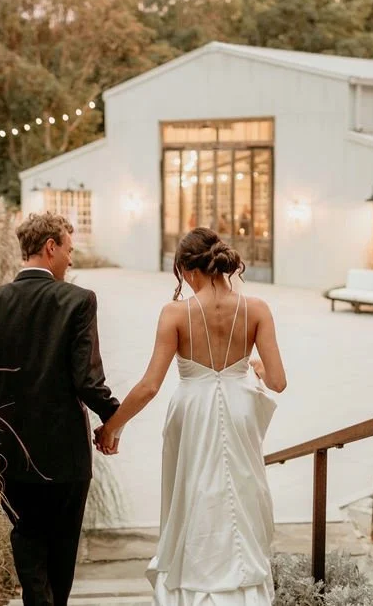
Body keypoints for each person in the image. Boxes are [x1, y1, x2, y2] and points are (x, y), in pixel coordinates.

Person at [96, 227, 287, 605]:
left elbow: (149, 386)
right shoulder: (257, 309)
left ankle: (193, 579)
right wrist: (255, 367)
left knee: (194, 493)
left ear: (186, 269)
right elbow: (278, 382)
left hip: (193, 411)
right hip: (240, 410)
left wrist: (112, 427)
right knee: (240, 493)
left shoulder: (175, 314)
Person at [0, 212, 120, 606]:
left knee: (26, 536)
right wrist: (114, 419)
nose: (71, 259)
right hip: (65, 453)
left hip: (11, 451)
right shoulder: (78, 301)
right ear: (51, 247)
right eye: (69, 249)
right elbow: (87, 381)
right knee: (63, 545)